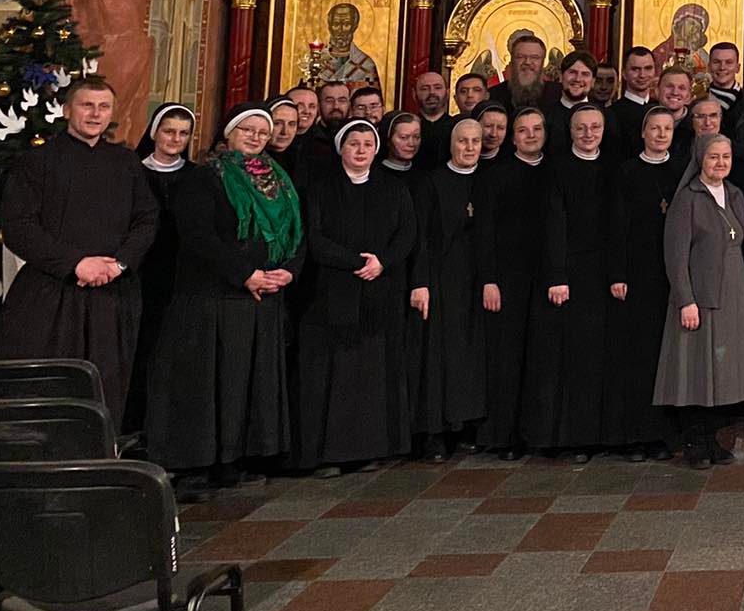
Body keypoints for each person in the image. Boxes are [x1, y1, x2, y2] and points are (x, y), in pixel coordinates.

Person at [143, 104, 302, 493]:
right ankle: (195, 462)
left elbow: (297, 230)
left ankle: (234, 458)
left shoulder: (279, 180)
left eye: (262, 132)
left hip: (261, 300)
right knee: (207, 385)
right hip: (211, 298)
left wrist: (289, 270)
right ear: (228, 133)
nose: (255, 137)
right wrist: (244, 273)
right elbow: (199, 237)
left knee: (242, 385)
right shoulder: (204, 178)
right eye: (247, 130)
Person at [0, 76, 158, 423]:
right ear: (67, 109)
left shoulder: (126, 163)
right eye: (87, 105)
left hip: (112, 296)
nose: (96, 114)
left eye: (104, 107)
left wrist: (119, 265)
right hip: (51, 293)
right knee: (44, 389)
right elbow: (19, 228)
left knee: (105, 389)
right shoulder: (36, 162)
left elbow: (146, 220)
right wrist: (76, 264)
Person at [295, 119, 417, 477]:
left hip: (380, 290)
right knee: (333, 375)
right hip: (333, 292)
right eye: (353, 143)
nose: (361, 150)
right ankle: (328, 454)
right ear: (341, 149)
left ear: (377, 149)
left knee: (372, 373)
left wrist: (383, 261)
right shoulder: (319, 188)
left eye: (368, 143)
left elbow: (407, 232)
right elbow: (313, 237)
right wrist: (354, 262)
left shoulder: (393, 188)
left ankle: (370, 448)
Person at [656, 134, 744, 468]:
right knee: (694, 373)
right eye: (714, 157)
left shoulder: (736, 195)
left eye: (726, 156)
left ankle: (713, 440)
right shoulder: (688, 199)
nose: (720, 163)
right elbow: (675, 255)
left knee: (722, 373)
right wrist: (686, 299)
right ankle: (694, 442)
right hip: (699, 299)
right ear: (700, 159)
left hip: (730, 300)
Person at [533, 103, 618, 460]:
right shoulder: (556, 168)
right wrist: (557, 276)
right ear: (570, 131)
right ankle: (571, 438)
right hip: (568, 275)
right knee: (570, 359)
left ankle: (599, 434)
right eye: (581, 128)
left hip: (604, 275)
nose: (588, 134)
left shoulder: (613, 167)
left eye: (594, 127)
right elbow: (553, 224)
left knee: (599, 358)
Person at [407, 117, 487, 459]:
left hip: (476, 280)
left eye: (475, 142)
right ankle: (435, 432)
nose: (469, 148)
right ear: (451, 145)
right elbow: (421, 236)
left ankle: (466, 426)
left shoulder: (488, 180)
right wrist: (421, 282)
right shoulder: (431, 182)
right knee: (439, 356)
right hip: (441, 280)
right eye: (462, 141)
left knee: (470, 355)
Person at [607, 105, 683, 462]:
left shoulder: (681, 170)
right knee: (637, 357)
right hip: (636, 276)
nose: (661, 135)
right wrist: (618, 273)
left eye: (667, 129)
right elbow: (616, 226)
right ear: (643, 132)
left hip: (671, 275)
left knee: (666, 356)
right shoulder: (625, 172)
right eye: (655, 129)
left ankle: (663, 434)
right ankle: (635, 435)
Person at [475, 106, 550, 459]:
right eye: (524, 130)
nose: (531, 135)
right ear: (513, 136)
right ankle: (503, 436)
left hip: (545, 278)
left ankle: (538, 432)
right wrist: (489, 279)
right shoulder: (496, 175)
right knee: (507, 358)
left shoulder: (555, 171)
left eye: (537, 129)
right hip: (507, 279)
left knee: (541, 357)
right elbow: (485, 230)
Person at [125, 104, 195, 436]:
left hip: (183, 277)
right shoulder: (131, 172)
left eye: (183, 133)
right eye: (169, 131)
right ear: (154, 132)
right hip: (139, 274)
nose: (175, 139)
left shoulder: (198, 176)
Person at [608, 46, 659, 156]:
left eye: (648, 68)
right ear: (624, 74)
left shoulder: (660, 108)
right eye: (635, 69)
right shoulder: (611, 114)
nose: (642, 75)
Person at [411, 72, 452, 169]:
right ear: (414, 94)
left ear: (448, 93)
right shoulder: (406, 127)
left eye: (438, 88)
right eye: (425, 88)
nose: (432, 92)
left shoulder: (456, 127)